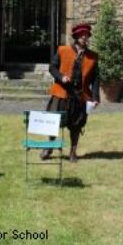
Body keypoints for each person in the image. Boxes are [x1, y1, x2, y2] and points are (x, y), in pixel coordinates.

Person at [42, 23, 100, 162]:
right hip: (61, 93)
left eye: (87, 35)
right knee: (54, 121)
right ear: (76, 36)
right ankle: (49, 147)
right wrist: (61, 77)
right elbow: (52, 67)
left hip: (80, 96)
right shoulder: (63, 50)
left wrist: (95, 97)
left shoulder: (93, 56)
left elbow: (96, 79)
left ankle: (73, 152)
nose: (85, 37)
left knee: (77, 124)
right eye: (82, 35)